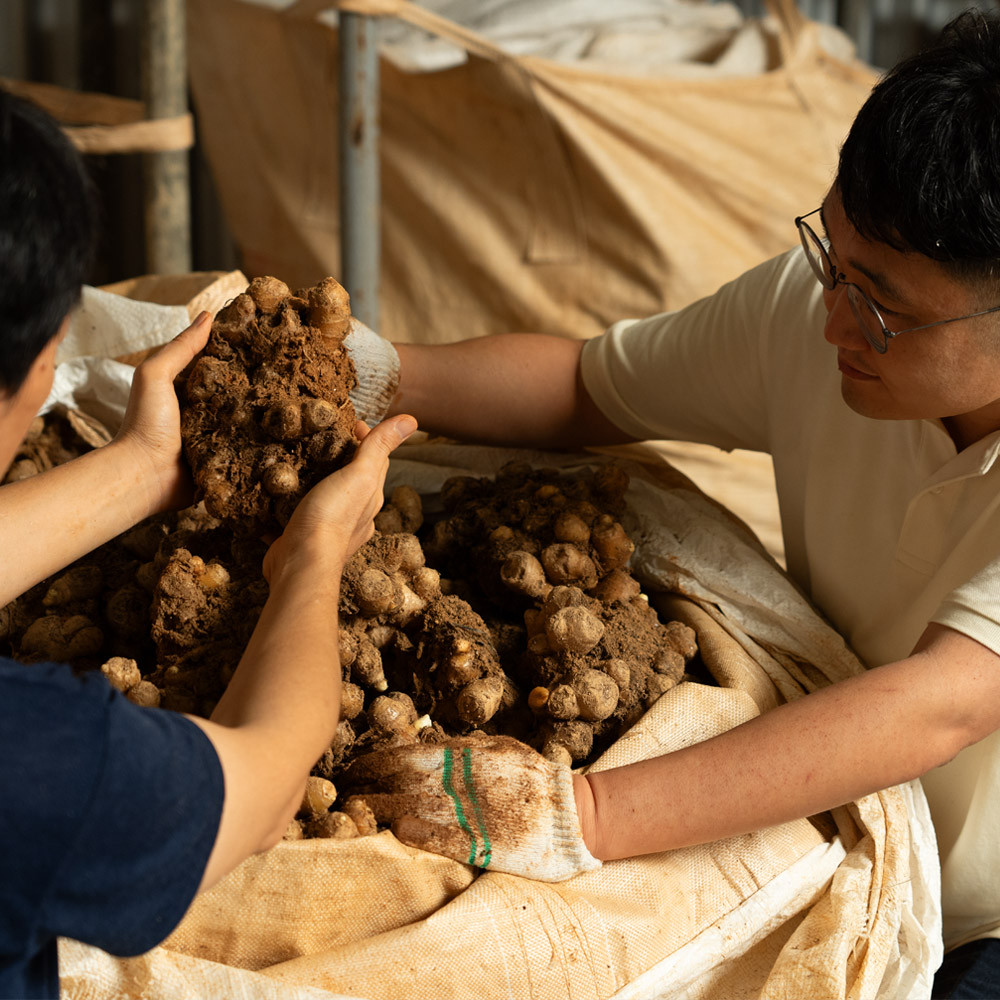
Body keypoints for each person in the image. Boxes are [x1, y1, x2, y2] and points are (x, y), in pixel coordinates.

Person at [342, 10, 1000, 998]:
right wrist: (355, 376)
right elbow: (583, 385)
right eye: (832, 257)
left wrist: (585, 816)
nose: (830, 317)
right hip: (831, 829)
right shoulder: (820, 312)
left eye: (882, 306)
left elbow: (937, 703)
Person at [0, 88, 416, 1000]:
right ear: (39, 362)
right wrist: (312, 554)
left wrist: (149, 467)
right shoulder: (41, 752)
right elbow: (265, 782)